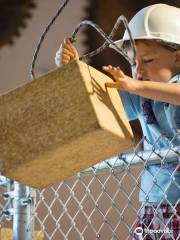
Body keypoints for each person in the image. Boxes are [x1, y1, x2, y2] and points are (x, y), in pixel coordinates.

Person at [55, 4, 180, 239]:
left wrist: (138, 86)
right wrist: (73, 71)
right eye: (133, 63)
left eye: (148, 60)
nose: (138, 70)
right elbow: (101, 104)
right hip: (153, 201)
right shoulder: (140, 94)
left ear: (178, 57)